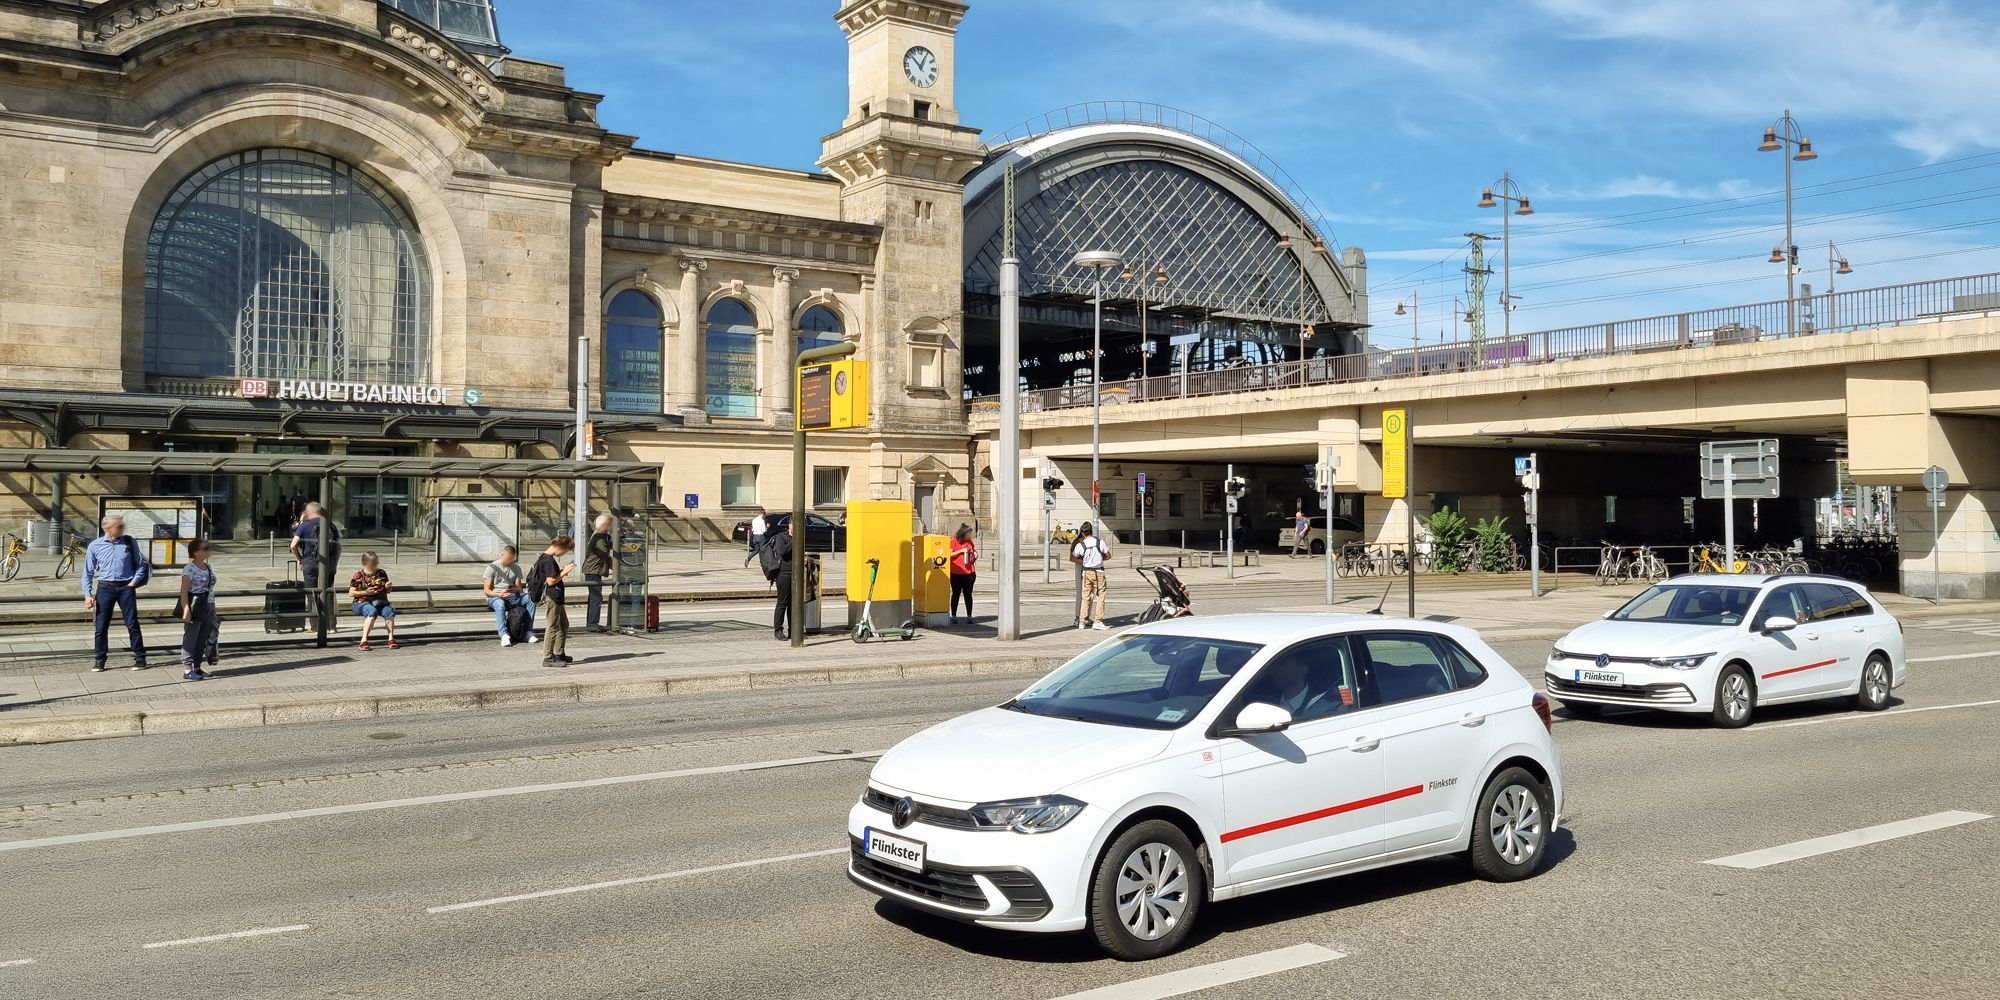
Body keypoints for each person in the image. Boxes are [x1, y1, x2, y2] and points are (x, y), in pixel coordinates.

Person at [82, 514, 150, 672]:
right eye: (119, 526)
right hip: (105, 587)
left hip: (126, 587)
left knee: (132, 623)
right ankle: (100, 660)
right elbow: (87, 572)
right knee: (101, 626)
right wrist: (87, 594)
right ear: (108, 529)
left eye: (122, 525)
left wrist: (133, 582)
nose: (122, 528)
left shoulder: (129, 542)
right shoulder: (95, 545)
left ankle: (140, 658)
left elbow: (141, 564)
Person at [289, 501, 341, 626]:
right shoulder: (331, 525)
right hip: (329, 563)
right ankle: (331, 625)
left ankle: (315, 625)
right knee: (328, 593)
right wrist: (335, 562)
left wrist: (299, 558)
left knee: (312, 594)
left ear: (308, 512)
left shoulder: (304, 525)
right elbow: (338, 547)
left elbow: (293, 545)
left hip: (310, 562)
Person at [531, 536, 576, 668]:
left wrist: (561, 571)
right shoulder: (548, 560)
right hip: (552, 597)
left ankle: (559, 653)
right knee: (553, 626)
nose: (564, 554)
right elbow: (551, 581)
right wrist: (564, 572)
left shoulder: (544, 558)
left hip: (556, 596)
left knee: (563, 624)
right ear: (560, 547)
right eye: (566, 551)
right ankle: (548, 657)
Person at [177, 538, 218, 681]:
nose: (208, 550)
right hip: (195, 606)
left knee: (203, 637)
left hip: (208, 605)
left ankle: (197, 667)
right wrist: (186, 608)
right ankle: (187, 668)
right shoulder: (189, 568)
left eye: (208, 548)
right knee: (191, 636)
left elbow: (210, 589)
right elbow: (184, 591)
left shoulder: (208, 567)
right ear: (195, 552)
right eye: (204, 548)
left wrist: (213, 608)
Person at [481, 545, 537, 648]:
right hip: (495, 596)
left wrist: (514, 590)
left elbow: (519, 588)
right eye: (507, 558)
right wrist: (499, 594)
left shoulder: (516, 568)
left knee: (531, 599)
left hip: (511, 595)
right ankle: (504, 634)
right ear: (502, 555)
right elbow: (487, 591)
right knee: (500, 604)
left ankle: (528, 632)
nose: (508, 561)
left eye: (511, 559)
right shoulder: (492, 567)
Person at [348, 552, 399, 650]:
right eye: (373, 564)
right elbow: (351, 593)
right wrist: (365, 592)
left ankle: (391, 639)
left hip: (380, 601)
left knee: (389, 612)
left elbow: (388, 591)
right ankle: (363, 641)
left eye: (376, 563)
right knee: (372, 611)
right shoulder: (359, 575)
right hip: (362, 602)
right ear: (366, 564)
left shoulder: (381, 573)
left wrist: (388, 587)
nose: (376, 565)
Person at [1070, 521, 1111, 631]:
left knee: (1085, 596)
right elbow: (1108, 555)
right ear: (1092, 531)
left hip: (1086, 572)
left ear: (1082, 533)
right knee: (1100, 595)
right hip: (1099, 572)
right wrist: (1100, 558)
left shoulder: (1080, 544)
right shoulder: (1100, 542)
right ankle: (1097, 621)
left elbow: (1074, 556)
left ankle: (1082, 621)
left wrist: (1085, 560)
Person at [584, 513, 615, 632]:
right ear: (606, 524)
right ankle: (592, 623)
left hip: (594, 570)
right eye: (610, 524)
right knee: (596, 597)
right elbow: (604, 555)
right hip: (593, 570)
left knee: (594, 597)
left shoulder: (602, 535)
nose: (611, 526)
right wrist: (615, 568)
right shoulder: (599, 538)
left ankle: (591, 622)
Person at [769, 520, 795, 641]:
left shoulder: (800, 537)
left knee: (793, 604)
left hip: (795, 574)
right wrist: (794, 541)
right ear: (789, 525)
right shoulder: (782, 537)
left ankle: (793, 630)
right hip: (783, 574)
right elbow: (782, 551)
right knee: (782, 603)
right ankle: (778, 630)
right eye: (794, 525)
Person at [948, 524, 977, 624]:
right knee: (955, 594)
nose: (971, 535)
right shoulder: (953, 541)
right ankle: (954, 615)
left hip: (969, 572)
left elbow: (973, 552)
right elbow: (949, 554)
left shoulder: (970, 542)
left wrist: (975, 554)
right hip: (956, 572)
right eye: (969, 533)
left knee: (968, 594)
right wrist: (961, 551)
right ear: (964, 533)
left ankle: (969, 615)